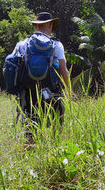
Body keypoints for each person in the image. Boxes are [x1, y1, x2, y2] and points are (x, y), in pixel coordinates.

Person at [12, 12, 70, 143]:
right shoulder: (56, 45)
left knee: (30, 127)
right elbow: (64, 71)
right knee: (56, 124)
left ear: (35, 26)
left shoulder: (22, 44)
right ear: (50, 25)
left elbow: (11, 67)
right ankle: (55, 153)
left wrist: (16, 89)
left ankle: (27, 156)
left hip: (28, 93)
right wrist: (68, 91)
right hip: (52, 92)